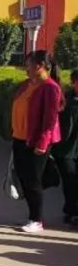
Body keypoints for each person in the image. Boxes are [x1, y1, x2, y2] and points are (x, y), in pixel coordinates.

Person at [9, 50, 63, 233]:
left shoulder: (50, 88)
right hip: (19, 137)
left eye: (28, 65)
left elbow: (50, 120)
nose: (26, 69)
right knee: (23, 178)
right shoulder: (27, 84)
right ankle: (32, 214)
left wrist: (42, 142)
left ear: (39, 66)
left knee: (32, 180)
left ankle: (36, 219)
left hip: (36, 140)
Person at [53, 70, 78, 226]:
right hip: (66, 149)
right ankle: (71, 211)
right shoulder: (65, 100)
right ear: (74, 82)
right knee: (70, 181)